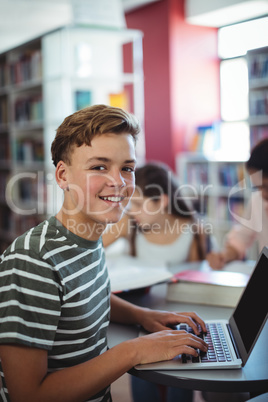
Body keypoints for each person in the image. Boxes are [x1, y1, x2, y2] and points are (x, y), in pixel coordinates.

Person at [0, 104, 208, 402]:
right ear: (62, 175)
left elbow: (83, 295)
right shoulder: (32, 262)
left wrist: (144, 316)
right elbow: (28, 395)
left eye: (127, 168)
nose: (119, 182)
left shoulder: (86, 235)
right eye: (99, 166)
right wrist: (134, 350)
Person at [103, 162, 212, 402]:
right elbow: (92, 252)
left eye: (140, 205)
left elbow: (197, 277)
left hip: (177, 311)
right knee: (143, 370)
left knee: (182, 367)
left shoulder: (194, 230)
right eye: (130, 203)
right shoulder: (128, 225)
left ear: (162, 201)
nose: (132, 211)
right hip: (139, 312)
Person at [206, 138, 268, 270]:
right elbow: (241, 239)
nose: (263, 194)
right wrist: (224, 256)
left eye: (266, 186)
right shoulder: (257, 200)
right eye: (257, 187)